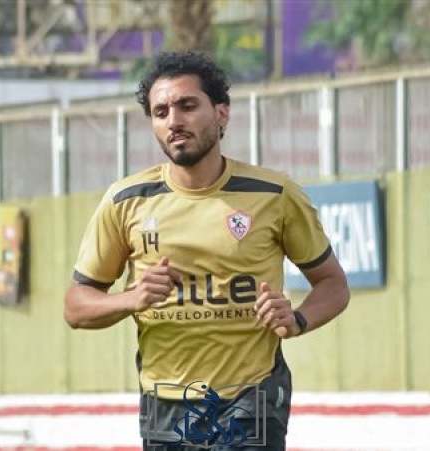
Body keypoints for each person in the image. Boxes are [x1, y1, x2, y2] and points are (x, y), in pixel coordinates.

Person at [64, 51, 350, 450]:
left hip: (252, 395)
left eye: (187, 106)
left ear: (221, 113)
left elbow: (333, 284)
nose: (174, 121)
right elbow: (76, 307)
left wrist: (298, 319)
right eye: (161, 112)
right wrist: (132, 298)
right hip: (166, 403)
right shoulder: (126, 201)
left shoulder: (274, 194)